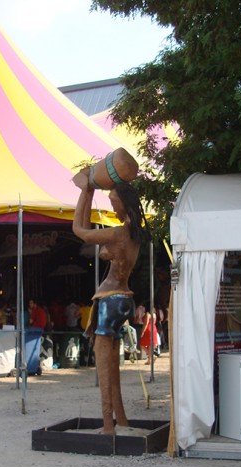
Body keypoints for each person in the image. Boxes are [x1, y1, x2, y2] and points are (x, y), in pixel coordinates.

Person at [72, 170, 150, 434]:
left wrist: (86, 192)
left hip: (109, 299)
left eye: (114, 203)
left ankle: (108, 425)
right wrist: (109, 254)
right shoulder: (135, 235)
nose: (113, 208)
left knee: (104, 368)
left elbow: (79, 231)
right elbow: (118, 256)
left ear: (124, 205)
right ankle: (122, 420)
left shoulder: (119, 232)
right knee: (113, 366)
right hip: (125, 297)